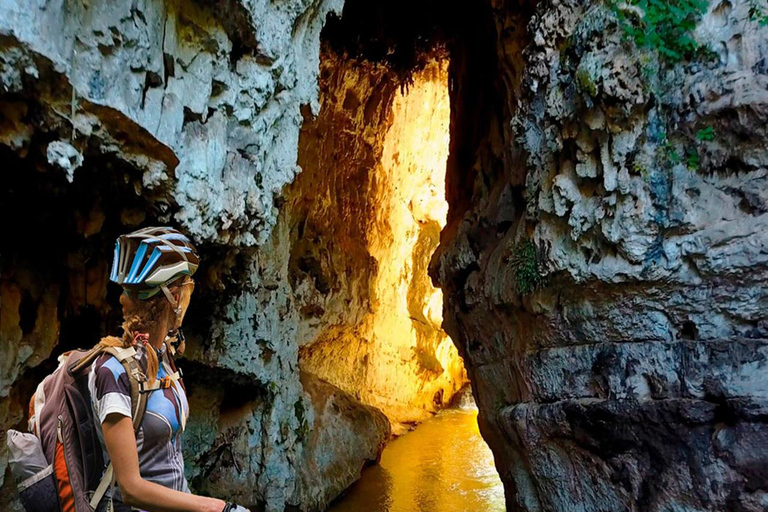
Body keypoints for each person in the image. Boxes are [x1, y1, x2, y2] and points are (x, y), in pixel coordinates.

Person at [89, 227, 249, 512]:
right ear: (174, 296)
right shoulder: (112, 371)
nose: (191, 293)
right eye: (187, 286)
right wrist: (214, 507)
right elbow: (131, 488)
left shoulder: (162, 355)